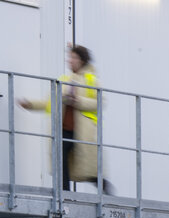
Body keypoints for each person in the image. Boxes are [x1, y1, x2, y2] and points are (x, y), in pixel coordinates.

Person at [18, 45, 112, 194]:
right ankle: (65, 195)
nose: (70, 60)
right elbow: (49, 103)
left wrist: (78, 100)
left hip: (82, 132)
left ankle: (102, 184)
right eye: (70, 57)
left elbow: (101, 102)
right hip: (64, 129)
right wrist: (30, 104)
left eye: (74, 57)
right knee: (60, 162)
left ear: (82, 60)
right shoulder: (64, 80)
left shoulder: (91, 80)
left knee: (88, 169)